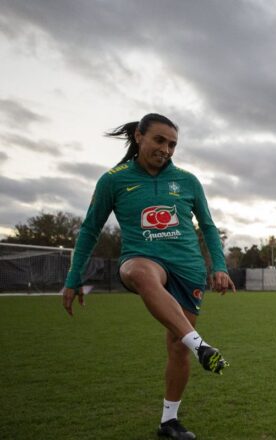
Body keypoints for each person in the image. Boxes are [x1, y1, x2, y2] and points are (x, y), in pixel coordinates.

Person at [61, 113, 235, 440]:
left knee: (177, 345)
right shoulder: (113, 180)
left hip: (188, 269)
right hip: (142, 259)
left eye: (172, 144)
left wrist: (220, 267)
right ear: (139, 137)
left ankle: (169, 422)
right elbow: (89, 230)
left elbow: (209, 227)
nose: (166, 149)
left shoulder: (188, 181)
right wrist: (73, 277)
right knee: (140, 272)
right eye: (159, 140)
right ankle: (203, 348)